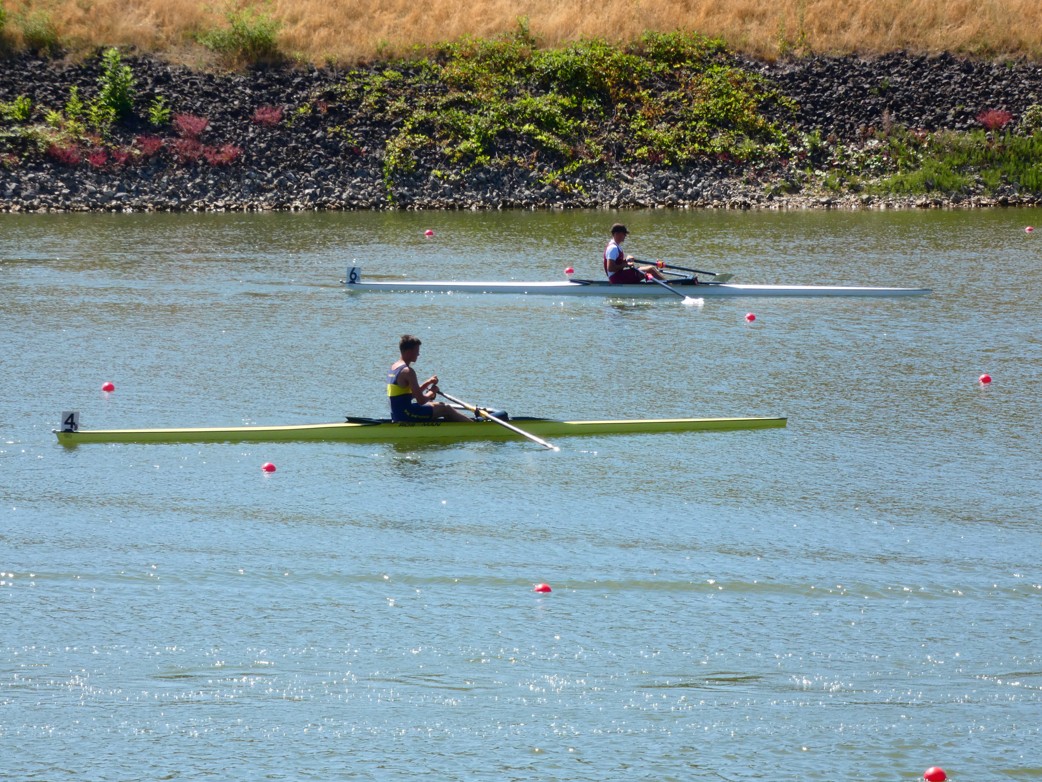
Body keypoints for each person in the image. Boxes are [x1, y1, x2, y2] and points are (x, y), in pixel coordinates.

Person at [387, 335, 472, 422]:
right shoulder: (408, 371)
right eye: (417, 351)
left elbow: (410, 396)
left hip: (398, 414)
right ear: (409, 352)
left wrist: (428, 382)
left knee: (436, 405)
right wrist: (432, 391)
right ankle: (472, 426)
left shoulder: (393, 368)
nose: (418, 354)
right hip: (407, 415)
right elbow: (421, 400)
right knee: (446, 408)